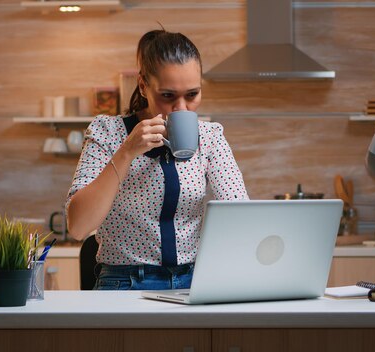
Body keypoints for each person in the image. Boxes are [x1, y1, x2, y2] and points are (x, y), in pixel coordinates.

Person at [65, 29, 249, 290]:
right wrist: (127, 151)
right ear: (143, 85)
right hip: (122, 282)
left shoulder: (210, 137)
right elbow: (78, 226)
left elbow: (240, 212)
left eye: (192, 94)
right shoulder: (106, 132)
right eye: (168, 96)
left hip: (194, 282)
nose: (182, 108)